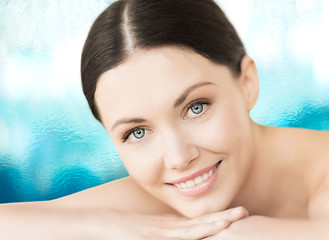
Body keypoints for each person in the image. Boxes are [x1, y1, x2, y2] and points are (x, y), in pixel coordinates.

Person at [1, 0, 329, 239]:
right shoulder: (164, 195)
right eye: (138, 132)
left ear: (247, 83)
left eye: (196, 107)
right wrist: (106, 225)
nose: (178, 157)